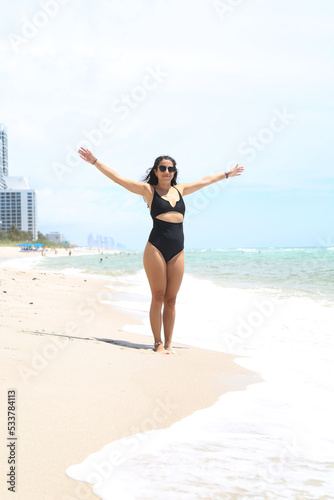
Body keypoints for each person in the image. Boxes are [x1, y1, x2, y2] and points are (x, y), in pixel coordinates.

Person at [78, 147, 244, 354]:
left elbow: (206, 181)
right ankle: (157, 343)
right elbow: (118, 179)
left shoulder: (180, 190)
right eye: (162, 168)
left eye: (170, 168)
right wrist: (95, 161)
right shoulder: (148, 191)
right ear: (156, 171)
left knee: (171, 299)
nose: (167, 171)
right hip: (155, 247)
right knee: (158, 295)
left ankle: (169, 343)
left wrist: (227, 174)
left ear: (175, 172)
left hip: (178, 250)